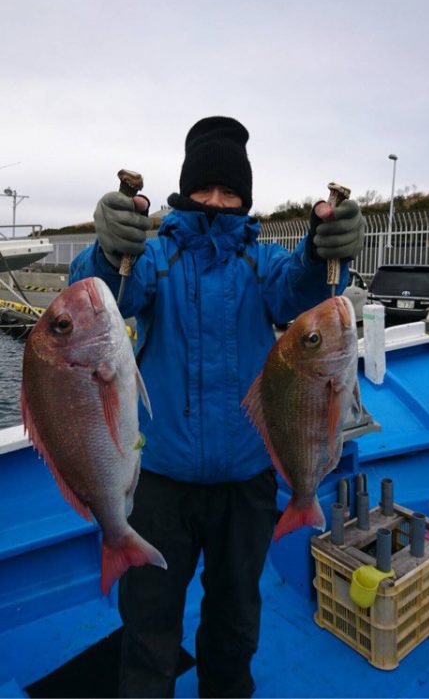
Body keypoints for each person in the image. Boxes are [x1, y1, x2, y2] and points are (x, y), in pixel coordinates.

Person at [69, 116, 365, 698]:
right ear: (184, 190)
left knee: (234, 623)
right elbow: (106, 297)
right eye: (205, 188)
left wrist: (322, 249)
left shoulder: (265, 263)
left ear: (245, 196)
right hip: (159, 483)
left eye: (230, 191)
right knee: (149, 627)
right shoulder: (155, 259)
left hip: (247, 485)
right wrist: (107, 252)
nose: (217, 201)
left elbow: (306, 288)